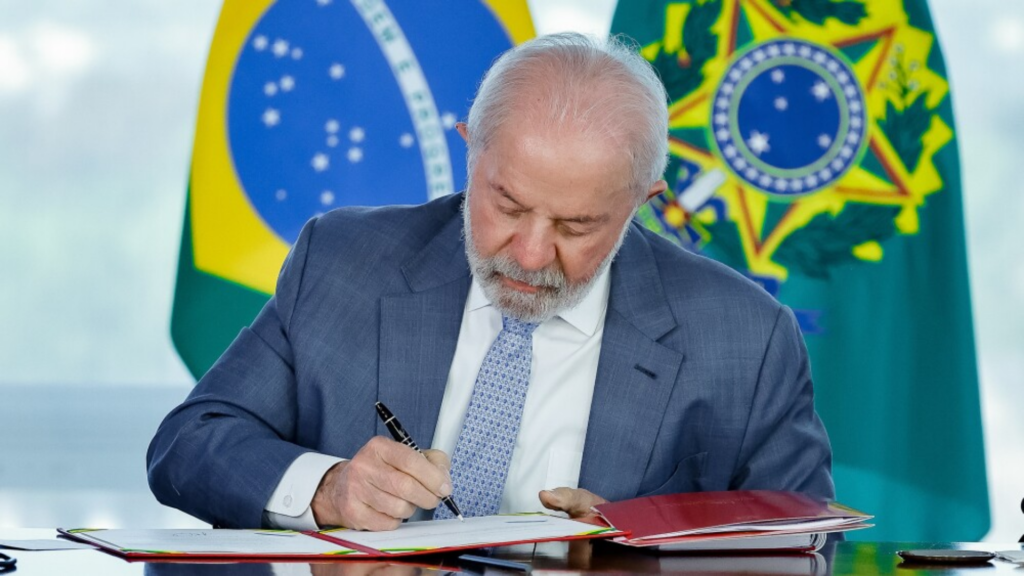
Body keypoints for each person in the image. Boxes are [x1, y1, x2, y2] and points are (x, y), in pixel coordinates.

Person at [147, 32, 833, 531]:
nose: (530, 255)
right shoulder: (344, 260)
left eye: (576, 226)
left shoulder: (746, 336)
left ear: (642, 202)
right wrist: (329, 489)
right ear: (469, 148)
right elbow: (189, 445)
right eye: (506, 205)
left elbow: (803, 537)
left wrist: (644, 541)